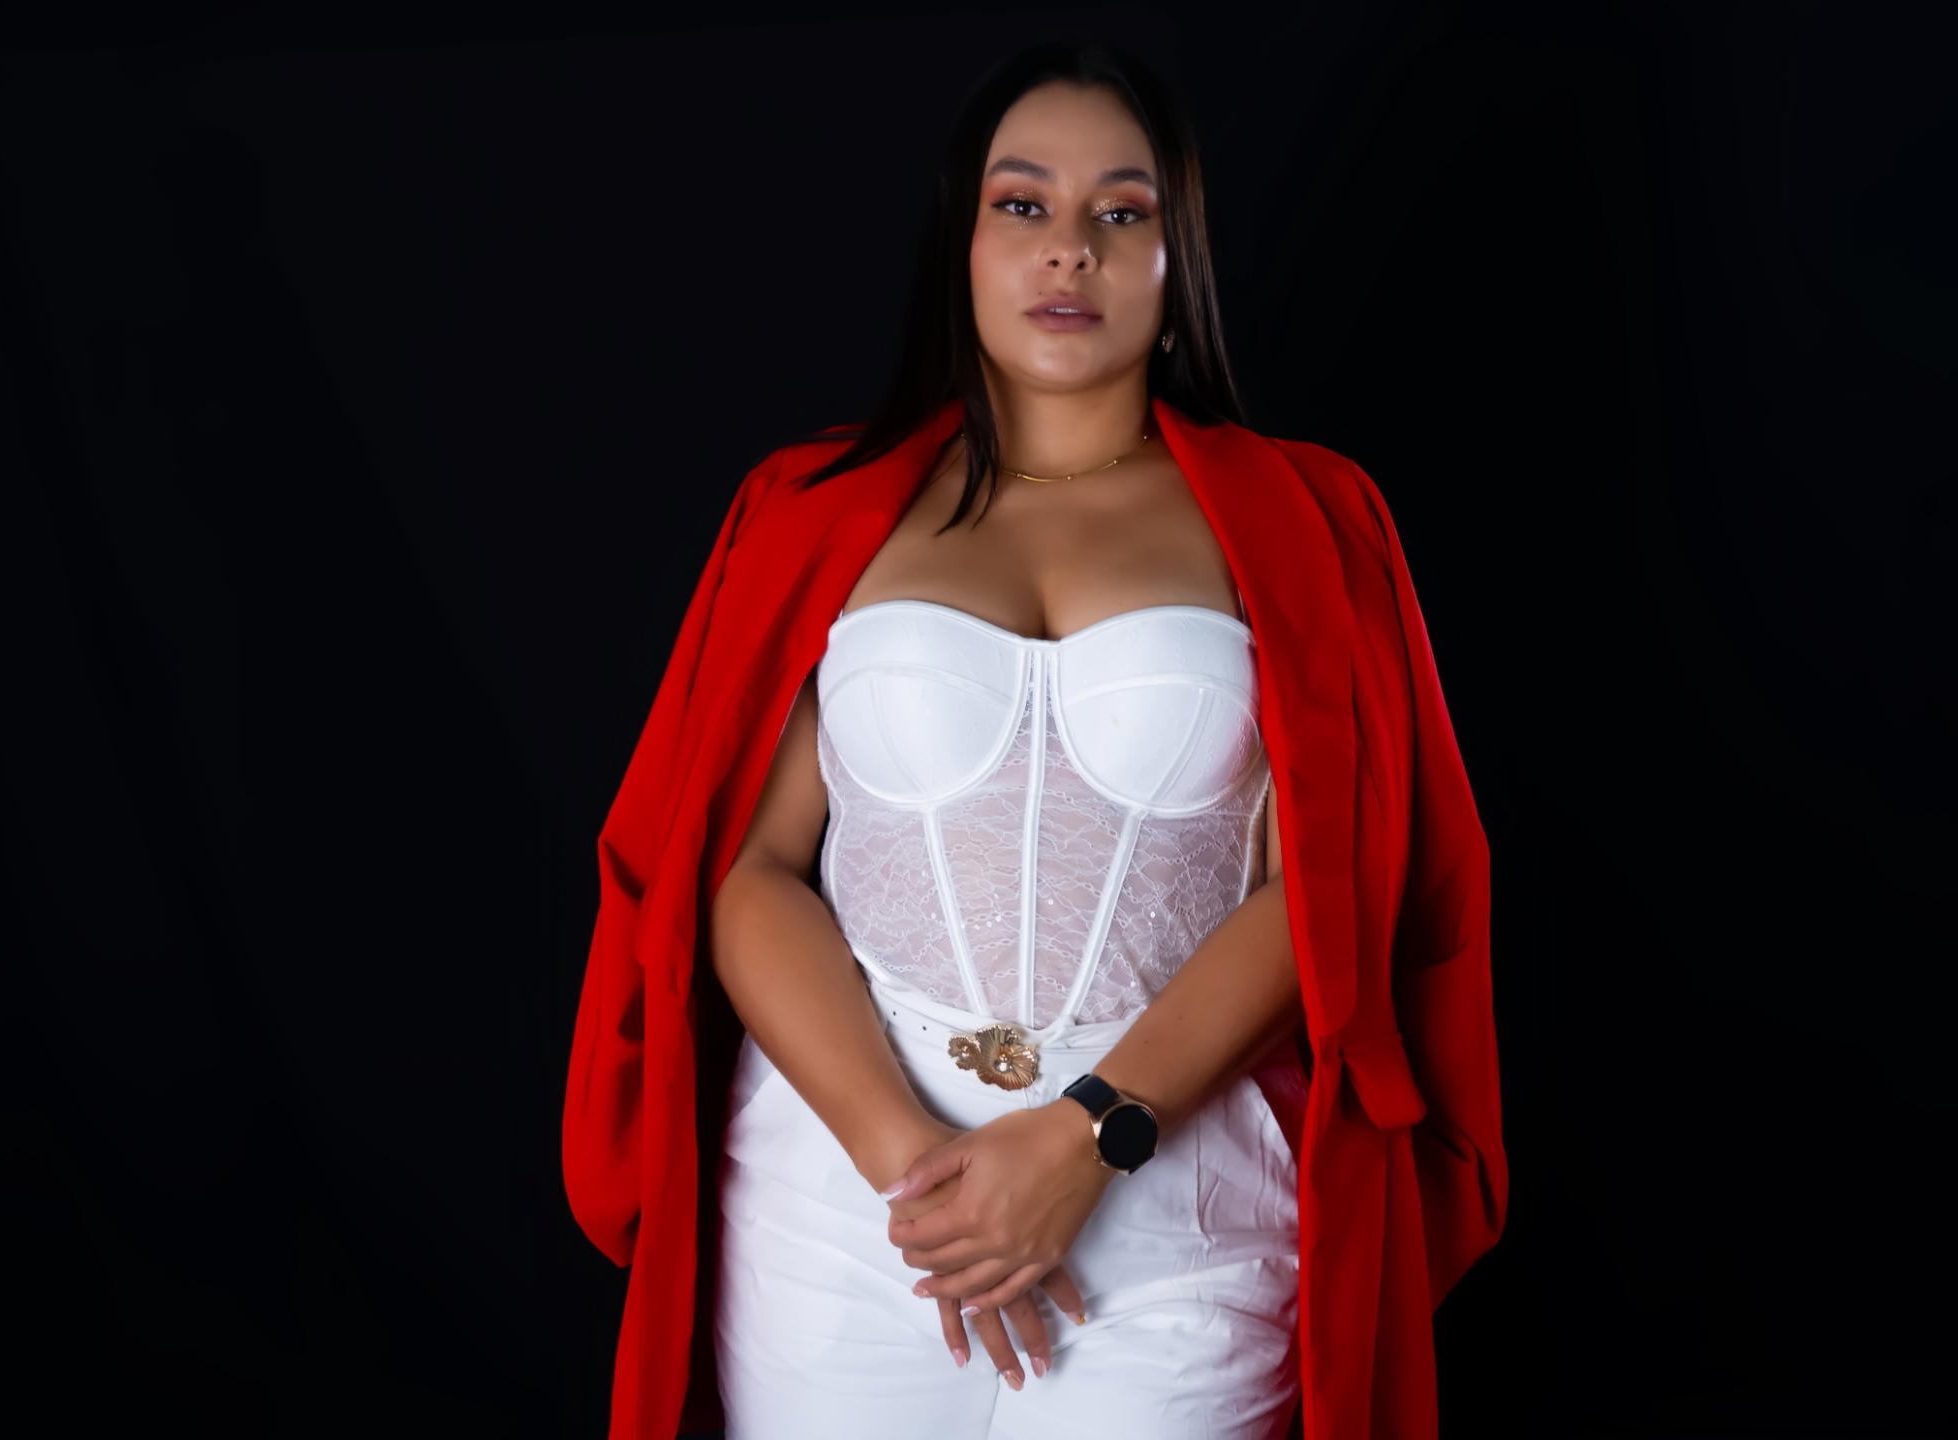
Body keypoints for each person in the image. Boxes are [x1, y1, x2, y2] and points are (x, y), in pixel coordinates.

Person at [562, 37, 1507, 1440]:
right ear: (964, 243)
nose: (1071, 248)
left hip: (1172, 1189)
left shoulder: (1309, 524)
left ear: (1177, 262)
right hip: (844, 1195)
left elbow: (1327, 888)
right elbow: (748, 872)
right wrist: (914, 1171)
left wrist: (1088, 1138)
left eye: (1121, 212)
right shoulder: (814, 512)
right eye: (1024, 204)